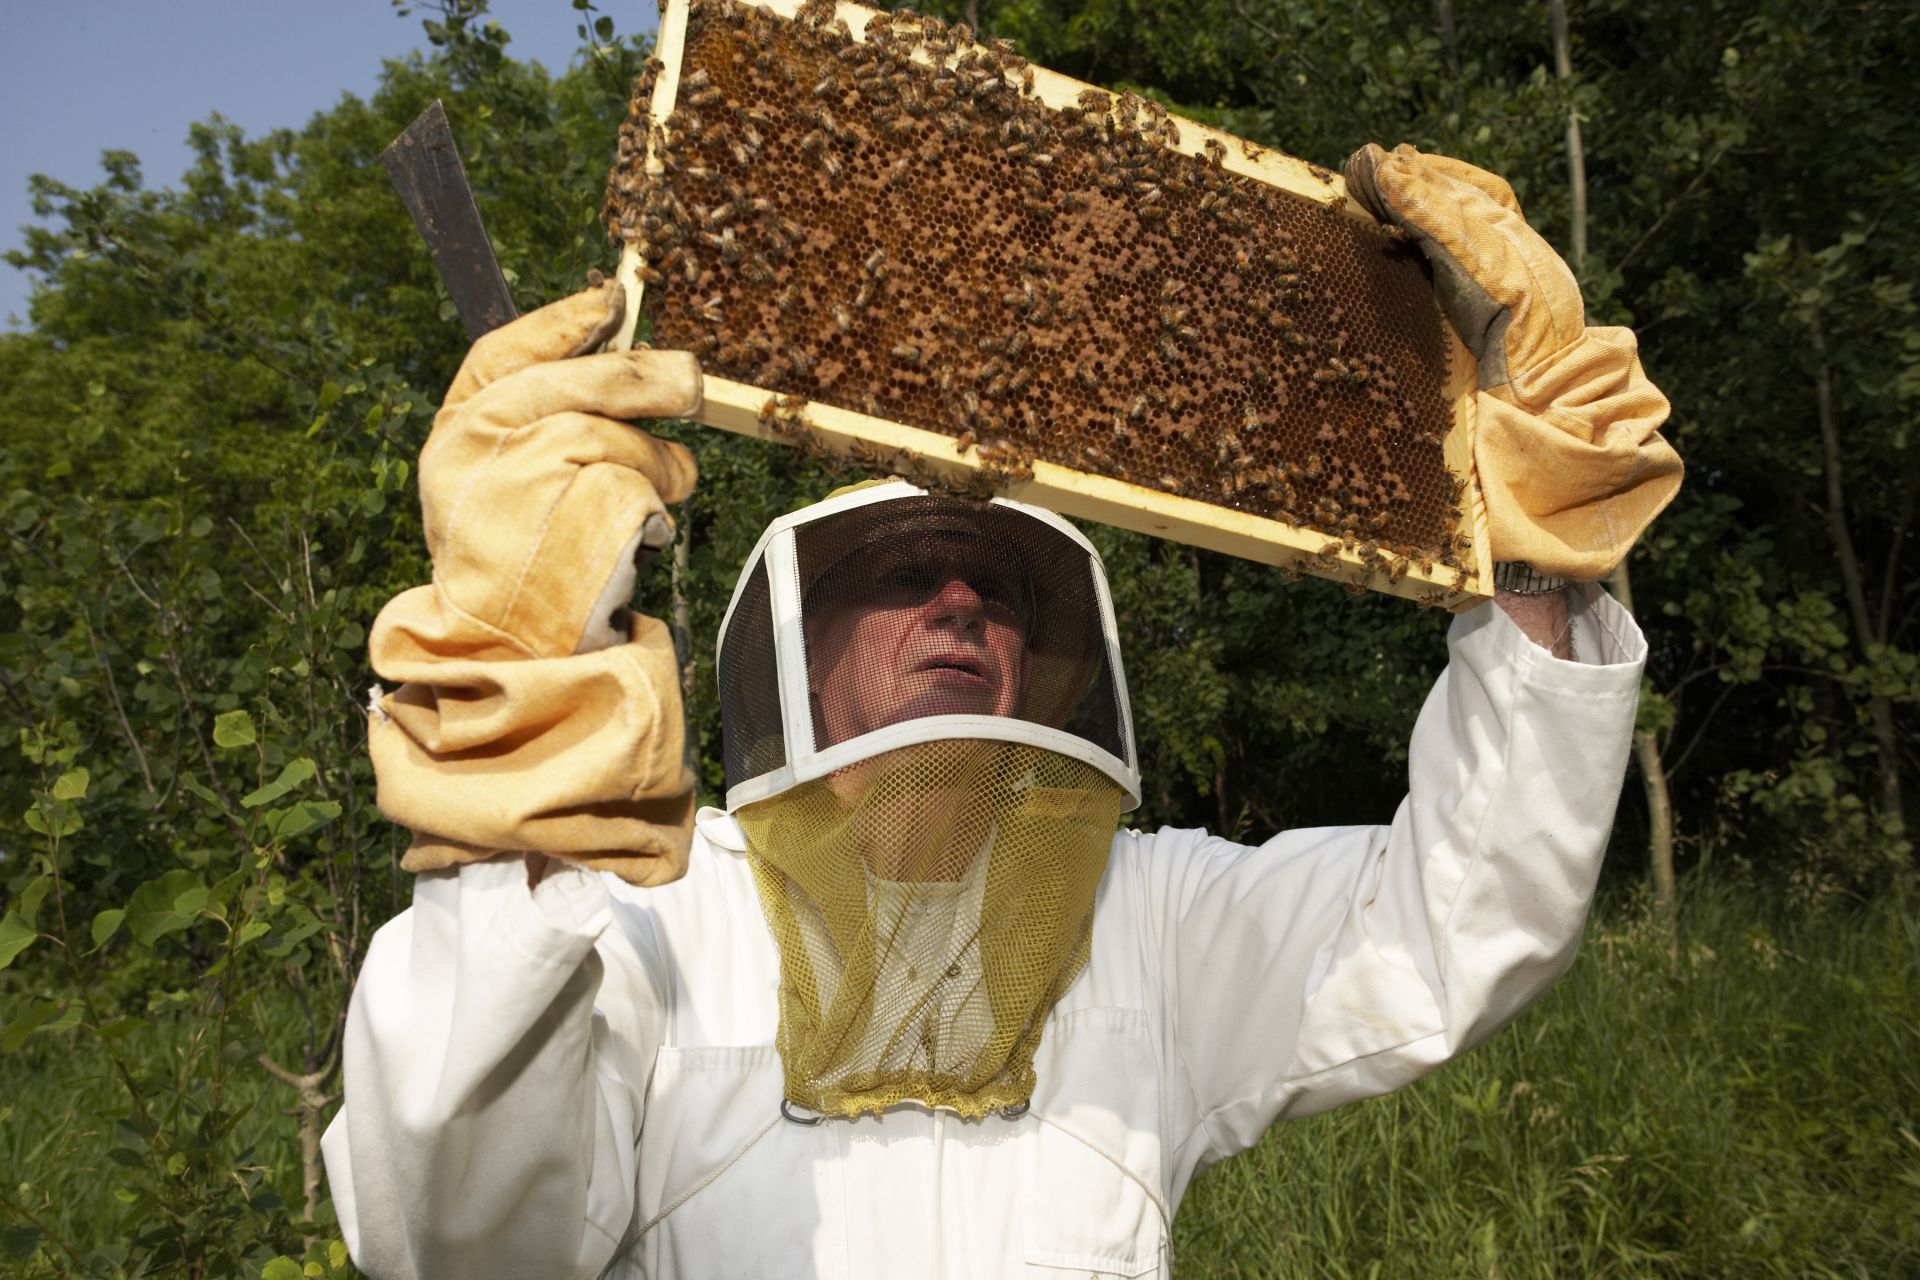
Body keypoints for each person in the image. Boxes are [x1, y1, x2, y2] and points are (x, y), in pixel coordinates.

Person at [321, 143, 1681, 1278]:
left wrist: (1545, 560)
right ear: (797, 651)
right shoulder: (644, 920)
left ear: (1049, 662)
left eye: (1000, 589)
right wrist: (514, 755)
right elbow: (449, 1232)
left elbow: (1465, 919)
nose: (963, 604)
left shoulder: (1150, 919)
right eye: (907, 577)